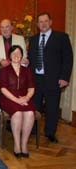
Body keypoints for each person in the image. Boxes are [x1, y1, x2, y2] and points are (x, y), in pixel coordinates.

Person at [28, 13, 73, 143]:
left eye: (46, 21)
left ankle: (50, 133)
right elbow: (31, 58)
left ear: (50, 22)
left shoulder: (61, 37)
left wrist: (64, 77)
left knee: (52, 107)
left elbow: (68, 59)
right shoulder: (33, 39)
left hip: (54, 79)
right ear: (37, 25)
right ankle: (33, 130)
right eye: (40, 22)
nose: (43, 24)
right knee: (34, 106)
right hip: (35, 79)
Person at [0, 45, 36, 158]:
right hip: (8, 98)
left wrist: (26, 98)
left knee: (30, 113)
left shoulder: (27, 70)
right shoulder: (4, 70)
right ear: (9, 56)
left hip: (24, 98)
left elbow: (31, 88)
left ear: (22, 56)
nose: (16, 55)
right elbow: (3, 89)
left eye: (19, 53)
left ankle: (24, 144)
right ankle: (16, 144)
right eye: (13, 53)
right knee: (18, 113)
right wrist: (16, 100)